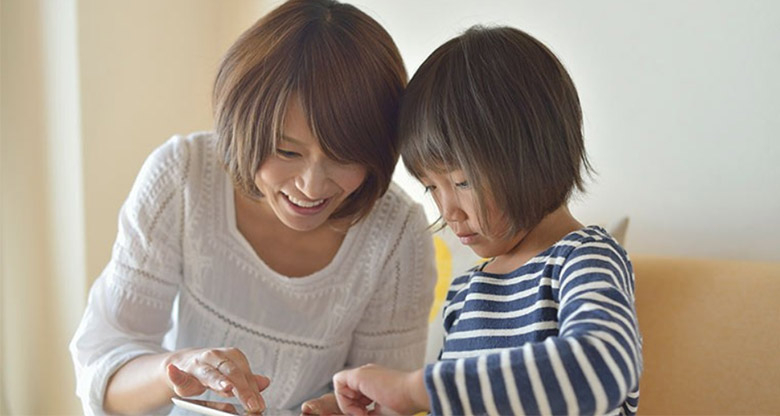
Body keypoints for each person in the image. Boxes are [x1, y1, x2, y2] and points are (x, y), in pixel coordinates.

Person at [69, 1, 437, 414]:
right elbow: (102, 372)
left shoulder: (397, 234)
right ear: (242, 123)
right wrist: (176, 370)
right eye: (285, 150)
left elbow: (388, 402)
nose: (310, 186)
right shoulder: (183, 177)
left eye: (343, 157)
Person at [332, 26, 642, 415]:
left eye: (462, 181)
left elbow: (604, 365)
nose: (448, 211)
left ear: (533, 155)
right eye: (431, 187)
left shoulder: (583, 259)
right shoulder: (466, 291)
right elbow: (459, 402)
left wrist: (416, 389)